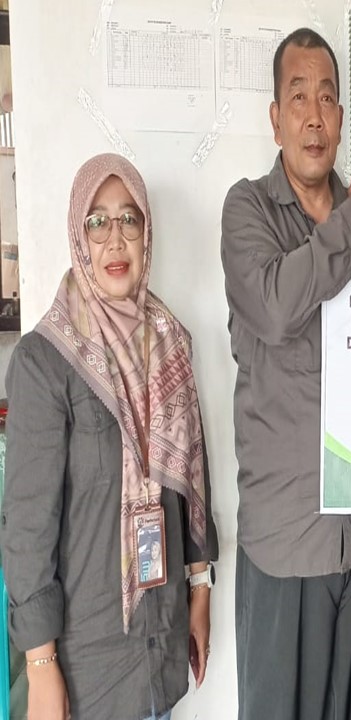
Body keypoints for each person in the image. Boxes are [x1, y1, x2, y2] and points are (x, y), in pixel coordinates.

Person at [220, 28, 351, 720]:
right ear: (275, 119)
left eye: (327, 98)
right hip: (284, 546)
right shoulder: (246, 210)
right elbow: (276, 308)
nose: (314, 115)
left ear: (341, 117)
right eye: (298, 97)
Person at [0, 153, 219, 720]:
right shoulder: (44, 361)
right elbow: (27, 525)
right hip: (88, 670)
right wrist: (41, 665)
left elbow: (192, 480)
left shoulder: (169, 343)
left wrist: (200, 586)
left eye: (129, 219)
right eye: (97, 222)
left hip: (160, 649)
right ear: (79, 236)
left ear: (147, 232)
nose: (115, 239)